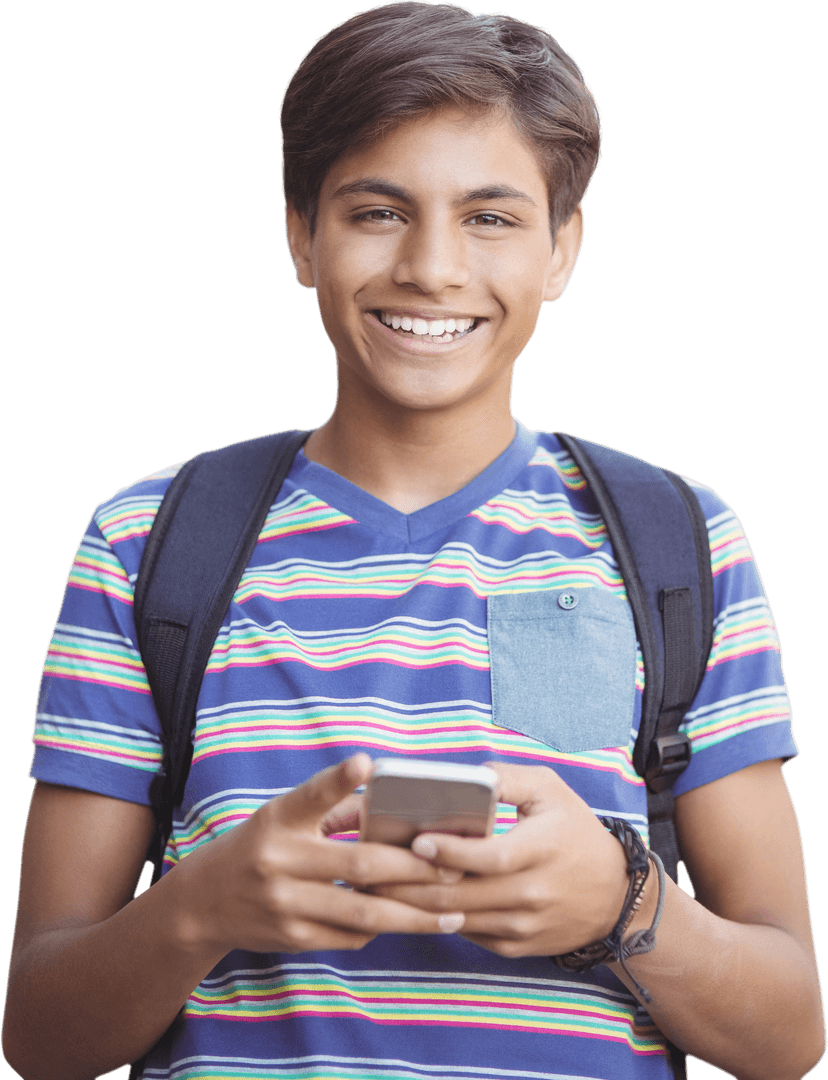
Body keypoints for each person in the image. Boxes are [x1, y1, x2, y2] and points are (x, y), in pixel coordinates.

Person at [3, 3, 824, 1078]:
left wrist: (622, 905)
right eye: (378, 211)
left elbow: (792, 1033)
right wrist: (202, 905)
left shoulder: (679, 544)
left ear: (563, 248)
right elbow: (39, 1036)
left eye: (491, 217)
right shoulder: (149, 543)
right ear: (301, 232)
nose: (432, 268)